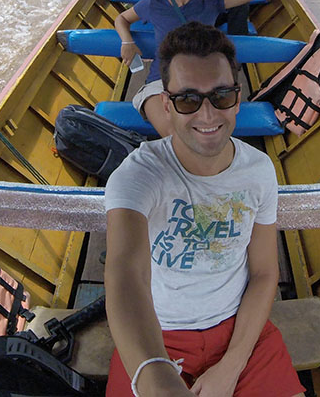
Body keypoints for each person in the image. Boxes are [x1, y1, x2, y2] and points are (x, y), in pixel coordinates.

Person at [104, 22, 304, 397]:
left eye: (221, 96)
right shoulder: (140, 175)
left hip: (242, 332)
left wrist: (232, 365)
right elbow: (125, 274)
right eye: (188, 100)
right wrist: (153, 373)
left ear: (238, 98)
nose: (208, 114)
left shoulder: (259, 170)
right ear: (167, 104)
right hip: (156, 333)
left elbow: (263, 272)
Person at [115, 0, 274, 138]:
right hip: (159, 82)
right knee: (175, 133)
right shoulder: (155, 2)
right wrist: (127, 43)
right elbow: (122, 19)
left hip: (204, 80)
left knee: (208, 131)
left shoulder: (211, 0)